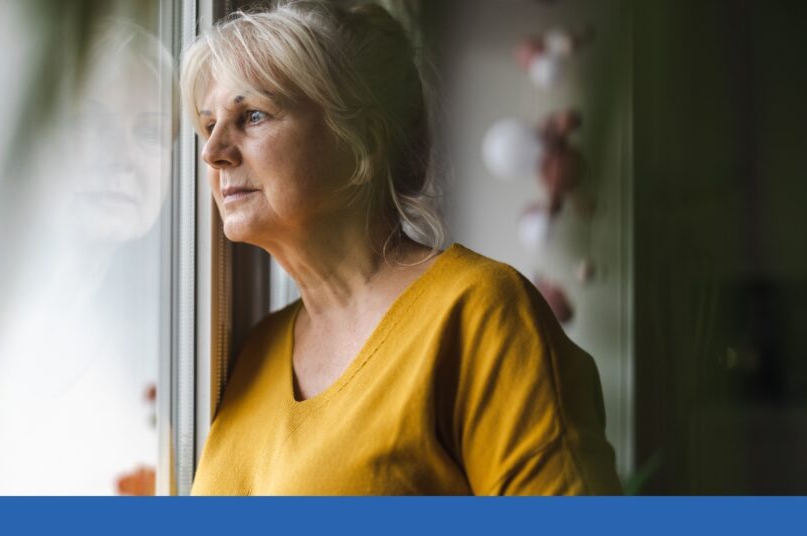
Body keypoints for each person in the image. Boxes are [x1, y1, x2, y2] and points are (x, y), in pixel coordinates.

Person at [181, 0, 621, 495]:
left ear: (362, 140)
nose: (212, 151)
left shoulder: (481, 311)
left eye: (253, 115)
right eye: (208, 123)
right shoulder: (253, 353)